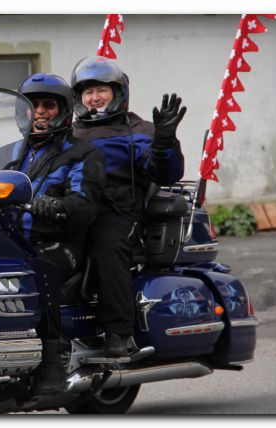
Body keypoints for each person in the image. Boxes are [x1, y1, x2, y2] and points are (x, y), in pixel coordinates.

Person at [0, 73, 106, 394]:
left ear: (64, 111)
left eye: (49, 105)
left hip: (60, 244)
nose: (41, 112)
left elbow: (85, 204)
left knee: (37, 270)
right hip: (9, 243)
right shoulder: (6, 154)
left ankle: (51, 357)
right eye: (33, 105)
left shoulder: (82, 154)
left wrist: (57, 206)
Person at [70, 56, 187, 357]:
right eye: (87, 92)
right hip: (73, 208)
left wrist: (163, 142)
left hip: (118, 211)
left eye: (101, 90)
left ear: (118, 93)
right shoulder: (68, 133)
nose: (94, 98)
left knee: (107, 245)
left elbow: (164, 173)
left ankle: (118, 331)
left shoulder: (139, 130)